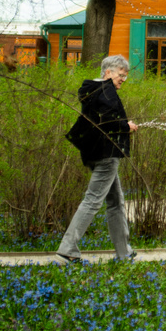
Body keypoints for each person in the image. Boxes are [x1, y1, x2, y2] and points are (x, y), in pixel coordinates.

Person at [57, 54, 138, 263]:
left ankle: (124, 251)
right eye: (121, 75)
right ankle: (68, 248)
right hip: (106, 154)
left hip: (93, 153)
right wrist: (125, 126)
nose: (123, 79)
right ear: (108, 72)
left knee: (115, 202)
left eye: (125, 76)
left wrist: (122, 125)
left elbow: (99, 119)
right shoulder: (106, 90)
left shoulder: (91, 89)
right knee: (93, 200)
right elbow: (108, 121)